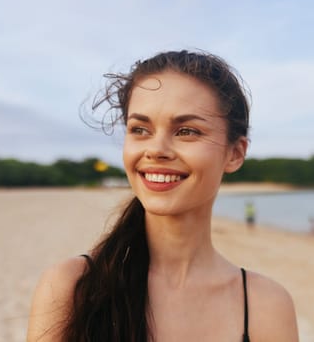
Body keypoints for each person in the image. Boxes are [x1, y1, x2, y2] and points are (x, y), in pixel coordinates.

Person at [27, 50, 298, 342]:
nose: (156, 150)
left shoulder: (265, 305)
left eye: (187, 131)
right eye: (140, 129)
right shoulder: (71, 287)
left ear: (235, 153)